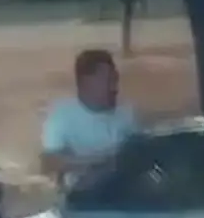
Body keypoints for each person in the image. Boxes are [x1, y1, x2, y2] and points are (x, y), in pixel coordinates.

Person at [40, 48, 140, 188]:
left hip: (125, 185)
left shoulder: (126, 110)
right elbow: (49, 162)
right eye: (108, 81)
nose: (114, 88)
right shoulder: (61, 115)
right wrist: (100, 162)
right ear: (86, 83)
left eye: (115, 80)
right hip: (84, 191)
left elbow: (138, 151)